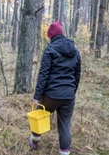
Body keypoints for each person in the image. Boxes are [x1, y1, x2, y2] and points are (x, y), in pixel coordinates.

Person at [29, 21, 81, 155]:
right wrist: (72, 91)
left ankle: (34, 141)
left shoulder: (49, 50)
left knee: (39, 114)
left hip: (50, 96)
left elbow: (44, 74)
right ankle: (64, 152)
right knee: (65, 126)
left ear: (51, 36)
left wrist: (37, 96)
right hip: (68, 96)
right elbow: (77, 74)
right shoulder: (74, 50)